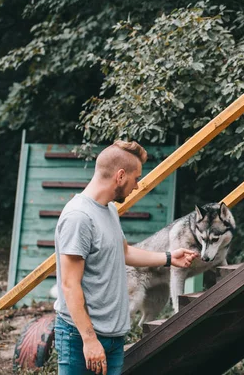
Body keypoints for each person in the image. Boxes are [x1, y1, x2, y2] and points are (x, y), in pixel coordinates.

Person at [53, 140, 199, 375]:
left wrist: (170, 257)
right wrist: (90, 341)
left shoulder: (108, 209)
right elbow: (70, 285)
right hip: (80, 336)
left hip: (113, 336)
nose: (138, 185)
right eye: (136, 177)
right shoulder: (78, 217)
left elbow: (125, 252)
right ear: (120, 176)